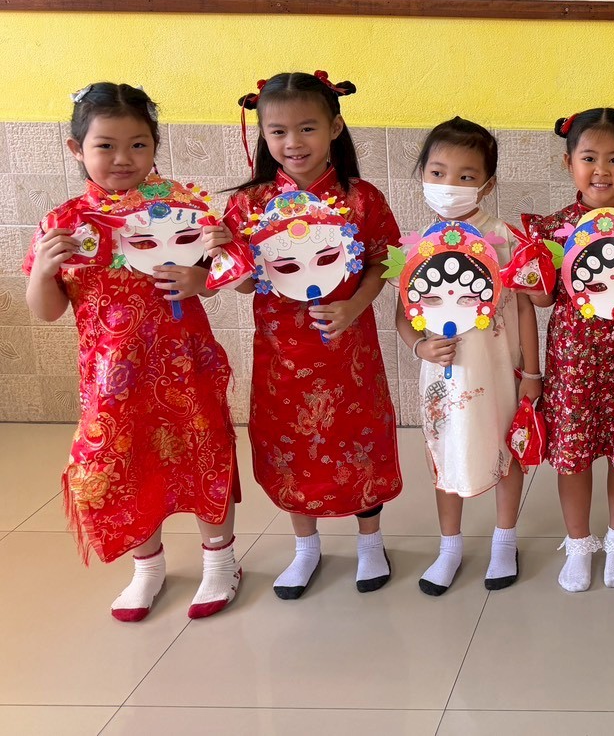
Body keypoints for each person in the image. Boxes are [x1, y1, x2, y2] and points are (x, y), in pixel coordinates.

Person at [24, 83, 239, 621]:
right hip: (112, 378)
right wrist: (45, 270)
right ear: (77, 149)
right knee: (125, 463)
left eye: (138, 145)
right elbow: (47, 311)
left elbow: (223, 275)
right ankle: (148, 567)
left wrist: (201, 278)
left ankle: (221, 563)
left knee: (204, 454)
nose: (123, 158)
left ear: (155, 146)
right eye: (106, 145)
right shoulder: (65, 223)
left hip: (185, 366)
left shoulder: (185, 208)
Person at [221, 71, 401, 598]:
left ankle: (371, 541)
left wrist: (354, 306)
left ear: (334, 128)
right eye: (278, 132)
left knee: (359, 439)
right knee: (290, 445)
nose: (293, 142)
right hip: (282, 352)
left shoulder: (362, 198)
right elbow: (240, 282)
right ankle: (305, 546)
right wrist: (223, 259)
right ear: (263, 135)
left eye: (307, 128)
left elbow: (383, 261)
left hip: (348, 347)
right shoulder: (250, 203)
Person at [522, 108, 614, 592]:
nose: (601, 170)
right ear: (568, 163)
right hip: (571, 362)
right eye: (589, 158)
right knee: (573, 453)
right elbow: (544, 299)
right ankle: (579, 542)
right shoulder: (553, 229)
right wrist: (530, 270)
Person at [397, 118, 542, 595]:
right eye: (438, 173)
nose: (449, 185)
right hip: (443, 374)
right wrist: (419, 345)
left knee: (506, 448)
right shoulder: (417, 244)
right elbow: (403, 314)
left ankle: (504, 541)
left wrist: (532, 372)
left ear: (487, 183)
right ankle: (450, 546)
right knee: (444, 450)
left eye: (465, 176)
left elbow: (526, 307)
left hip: (499, 368)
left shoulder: (504, 239)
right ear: (422, 174)